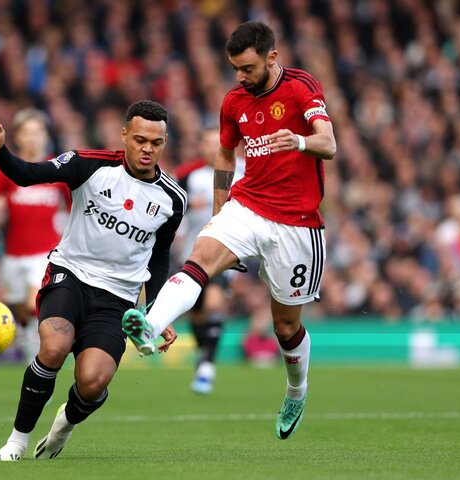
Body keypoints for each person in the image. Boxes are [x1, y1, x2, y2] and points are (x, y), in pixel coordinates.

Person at [122, 21, 336, 440]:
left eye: (248, 67)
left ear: (272, 58)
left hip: (297, 225)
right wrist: (221, 209)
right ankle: (150, 324)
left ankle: (296, 390)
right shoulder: (233, 101)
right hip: (248, 205)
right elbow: (224, 153)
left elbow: (329, 143)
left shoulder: (300, 87)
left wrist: (299, 141)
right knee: (200, 257)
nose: (240, 76)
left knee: (286, 328)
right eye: (234, 68)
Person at [0, 99, 184, 461]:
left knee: (92, 382)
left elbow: (160, 256)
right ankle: (17, 441)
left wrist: (156, 310)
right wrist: (1, 152)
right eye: (139, 139)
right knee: (53, 348)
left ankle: (64, 425)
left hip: (118, 297)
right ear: (124, 136)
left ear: (164, 142)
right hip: (70, 274)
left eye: (156, 142)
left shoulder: (171, 199)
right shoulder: (87, 164)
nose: (147, 149)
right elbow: (27, 175)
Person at [0, 108, 70, 364]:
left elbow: (75, 206)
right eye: (26, 133)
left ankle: (40, 366)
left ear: (45, 136)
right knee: (22, 315)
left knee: (34, 304)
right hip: (13, 255)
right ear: (17, 137)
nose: (32, 138)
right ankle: (32, 354)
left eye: (37, 132)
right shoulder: (8, 170)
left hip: (46, 252)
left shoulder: (56, 169)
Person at [173, 127, 244, 394]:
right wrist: (189, 206)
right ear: (200, 146)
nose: (212, 148)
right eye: (207, 143)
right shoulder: (188, 176)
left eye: (218, 143)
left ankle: (206, 367)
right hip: (191, 253)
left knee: (215, 302)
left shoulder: (243, 172)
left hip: (225, 252)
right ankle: (203, 356)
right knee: (198, 312)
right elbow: (172, 208)